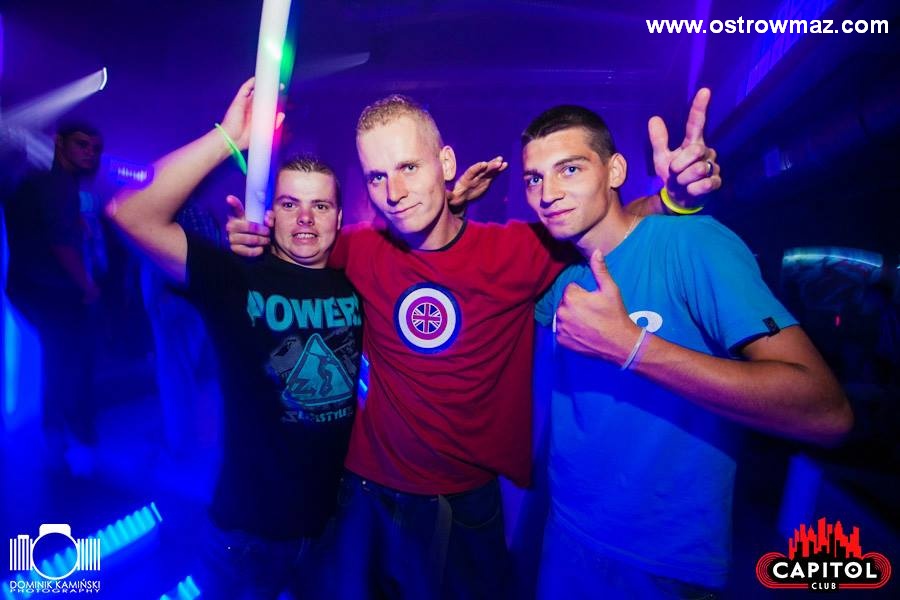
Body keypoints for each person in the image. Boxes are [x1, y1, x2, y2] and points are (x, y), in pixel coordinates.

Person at [228, 91, 720, 598]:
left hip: (463, 502)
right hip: (362, 491)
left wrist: (671, 199)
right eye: (377, 177)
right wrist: (252, 238)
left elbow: (603, 226)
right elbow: (293, 247)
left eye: (409, 167)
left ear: (445, 164)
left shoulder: (516, 250)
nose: (394, 191)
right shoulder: (357, 248)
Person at [523, 103, 853, 598]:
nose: (548, 194)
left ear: (615, 171)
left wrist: (633, 348)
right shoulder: (561, 272)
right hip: (567, 533)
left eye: (570, 169)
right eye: (534, 179)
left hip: (662, 559)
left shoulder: (693, 244)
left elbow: (825, 412)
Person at [106, 80, 363, 599]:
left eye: (320, 206)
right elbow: (127, 212)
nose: (305, 217)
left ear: (339, 216)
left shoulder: (357, 280)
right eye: (290, 203)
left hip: (334, 527)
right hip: (248, 534)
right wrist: (229, 138)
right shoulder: (236, 276)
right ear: (271, 213)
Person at [3, 121, 103, 456]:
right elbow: (62, 246)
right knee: (73, 360)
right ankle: (75, 436)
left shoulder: (38, 183)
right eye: (81, 144)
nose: (90, 153)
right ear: (60, 143)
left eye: (95, 148)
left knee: (60, 358)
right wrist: (87, 285)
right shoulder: (59, 185)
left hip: (29, 285)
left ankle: (58, 433)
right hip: (53, 289)